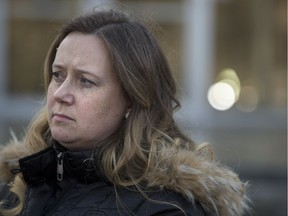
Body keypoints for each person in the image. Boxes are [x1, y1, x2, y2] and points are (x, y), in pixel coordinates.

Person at [0, 9, 250, 216]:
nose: (59, 94)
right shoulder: (14, 181)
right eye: (58, 75)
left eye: (85, 81)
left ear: (132, 98)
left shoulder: (169, 207)